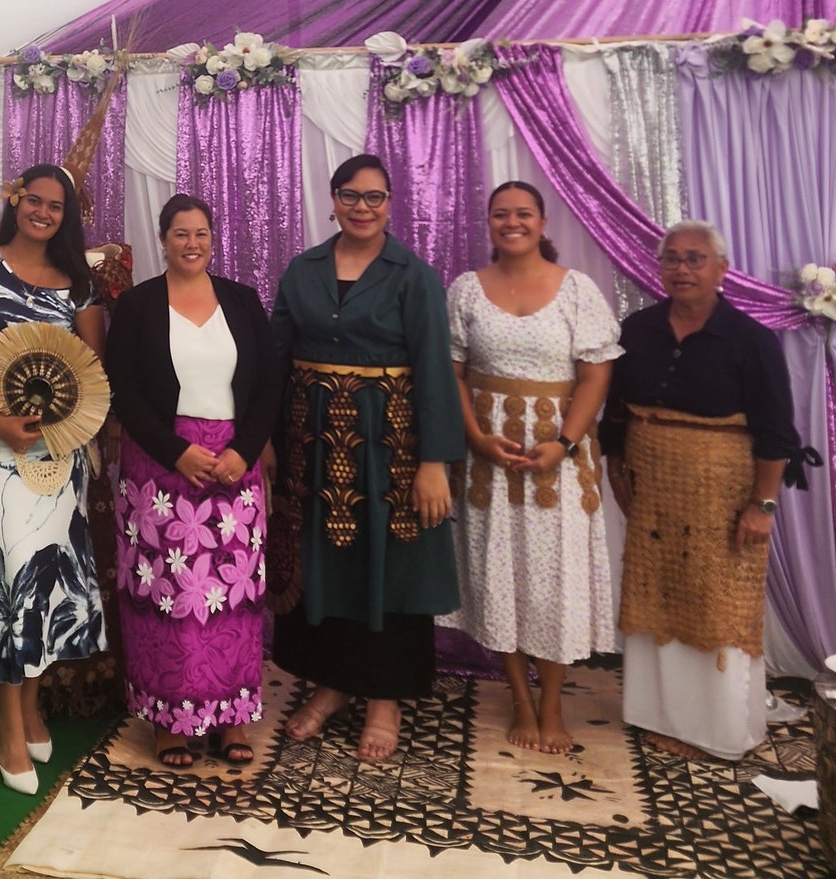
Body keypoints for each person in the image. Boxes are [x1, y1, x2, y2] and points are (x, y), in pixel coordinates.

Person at [268, 154, 464, 761]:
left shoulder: (414, 275)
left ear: (389, 203)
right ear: (332, 200)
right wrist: (270, 441)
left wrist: (436, 462)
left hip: (391, 448)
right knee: (326, 565)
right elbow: (277, 363)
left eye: (374, 197)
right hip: (315, 447)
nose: (361, 206)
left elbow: (435, 368)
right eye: (350, 195)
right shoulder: (303, 271)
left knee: (392, 565)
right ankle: (334, 686)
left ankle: (383, 698)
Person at [600, 220, 802, 761]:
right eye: (672, 258)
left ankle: (718, 731)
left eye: (694, 259)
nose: (682, 268)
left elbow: (776, 430)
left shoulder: (751, 340)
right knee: (655, 595)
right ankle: (657, 715)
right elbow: (616, 411)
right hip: (653, 491)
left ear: (721, 269)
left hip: (724, 492)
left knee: (717, 606)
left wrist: (763, 504)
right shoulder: (637, 329)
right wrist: (617, 471)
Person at [434, 181, 622, 754]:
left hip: (556, 462)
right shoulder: (466, 290)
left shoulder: (577, 290)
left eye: (523, 214)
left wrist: (563, 443)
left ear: (542, 223)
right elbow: (453, 372)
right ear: (488, 223)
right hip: (488, 460)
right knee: (501, 576)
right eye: (500, 214)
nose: (511, 222)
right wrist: (475, 439)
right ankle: (518, 696)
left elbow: (595, 373)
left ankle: (551, 702)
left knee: (553, 579)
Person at [0, 164, 107, 794]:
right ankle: (8, 726)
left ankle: (32, 703)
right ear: (15, 203)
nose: (43, 212)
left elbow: (90, 369)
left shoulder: (78, 284)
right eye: (33, 201)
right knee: (15, 569)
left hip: (60, 453)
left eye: (55, 206)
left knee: (47, 575)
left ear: (67, 215)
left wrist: (70, 421)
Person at [105, 194, 280, 768]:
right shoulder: (136, 306)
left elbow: (269, 385)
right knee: (170, 595)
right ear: (163, 239)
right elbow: (124, 390)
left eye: (201, 233)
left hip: (234, 465)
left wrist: (243, 450)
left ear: (213, 238)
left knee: (230, 595)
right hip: (160, 468)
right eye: (180, 233)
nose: (192, 243)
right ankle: (166, 718)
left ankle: (230, 716)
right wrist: (177, 451)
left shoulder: (242, 300)